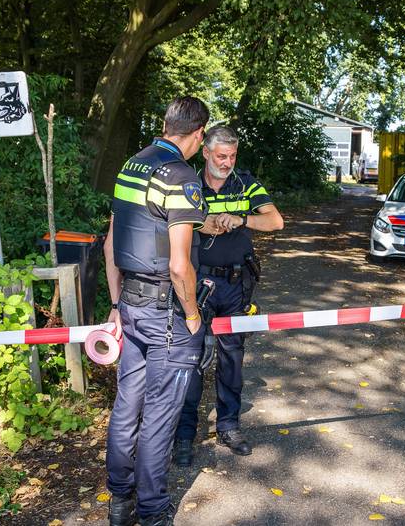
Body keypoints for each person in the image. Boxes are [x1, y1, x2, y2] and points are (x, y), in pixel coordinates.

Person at [102, 96, 211, 526]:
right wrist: (193, 316)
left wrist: (115, 305)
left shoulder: (132, 165)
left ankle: (119, 501)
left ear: (166, 125)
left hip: (129, 304)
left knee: (127, 406)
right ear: (199, 134)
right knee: (161, 416)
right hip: (167, 312)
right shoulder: (182, 176)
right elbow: (179, 264)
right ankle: (152, 512)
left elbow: (112, 244)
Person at [173, 125, 284, 466]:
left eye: (232, 156)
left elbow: (276, 222)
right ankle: (184, 436)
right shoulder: (187, 184)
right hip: (198, 284)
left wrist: (241, 219)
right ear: (205, 152)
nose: (227, 162)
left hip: (236, 285)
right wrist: (203, 221)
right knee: (190, 359)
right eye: (221, 156)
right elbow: (172, 223)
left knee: (232, 357)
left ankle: (229, 426)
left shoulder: (245, 183)